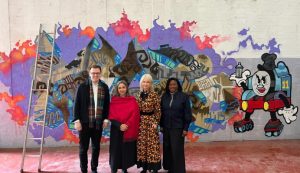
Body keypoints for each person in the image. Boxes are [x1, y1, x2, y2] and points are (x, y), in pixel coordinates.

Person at [73, 65, 110, 173]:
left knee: (96, 147)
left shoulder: (104, 87)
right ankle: (84, 169)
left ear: (100, 74)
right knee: (83, 148)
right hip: (84, 123)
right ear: (90, 74)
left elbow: (107, 104)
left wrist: (106, 119)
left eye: (97, 73)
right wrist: (76, 120)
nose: (95, 75)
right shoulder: (82, 86)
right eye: (93, 73)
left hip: (98, 123)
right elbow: (77, 104)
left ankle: (94, 168)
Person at [160, 78, 192, 173]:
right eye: (170, 85)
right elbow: (161, 112)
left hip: (178, 128)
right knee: (167, 149)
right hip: (166, 127)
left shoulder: (183, 96)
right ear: (167, 86)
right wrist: (161, 125)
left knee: (176, 150)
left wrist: (185, 128)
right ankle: (170, 168)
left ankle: (178, 170)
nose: (172, 86)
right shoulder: (164, 96)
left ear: (178, 85)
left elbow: (187, 113)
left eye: (174, 84)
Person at [109, 80, 140, 173]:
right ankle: (113, 168)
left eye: (123, 87)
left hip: (127, 129)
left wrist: (127, 124)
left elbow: (135, 114)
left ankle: (124, 167)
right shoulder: (113, 100)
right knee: (115, 150)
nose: (121, 89)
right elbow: (111, 115)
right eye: (119, 88)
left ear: (126, 88)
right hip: (116, 129)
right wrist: (119, 125)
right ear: (117, 89)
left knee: (125, 150)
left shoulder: (132, 100)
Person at [137, 74, 161, 173]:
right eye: (144, 81)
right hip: (141, 123)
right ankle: (145, 167)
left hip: (151, 122)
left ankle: (154, 167)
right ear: (141, 83)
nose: (145, 84)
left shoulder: (154, 95)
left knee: (152, 145)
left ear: (151, 84)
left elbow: (158, 111)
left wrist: (156, 123)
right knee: (142, 145)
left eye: (148, 82)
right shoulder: (138, 95)